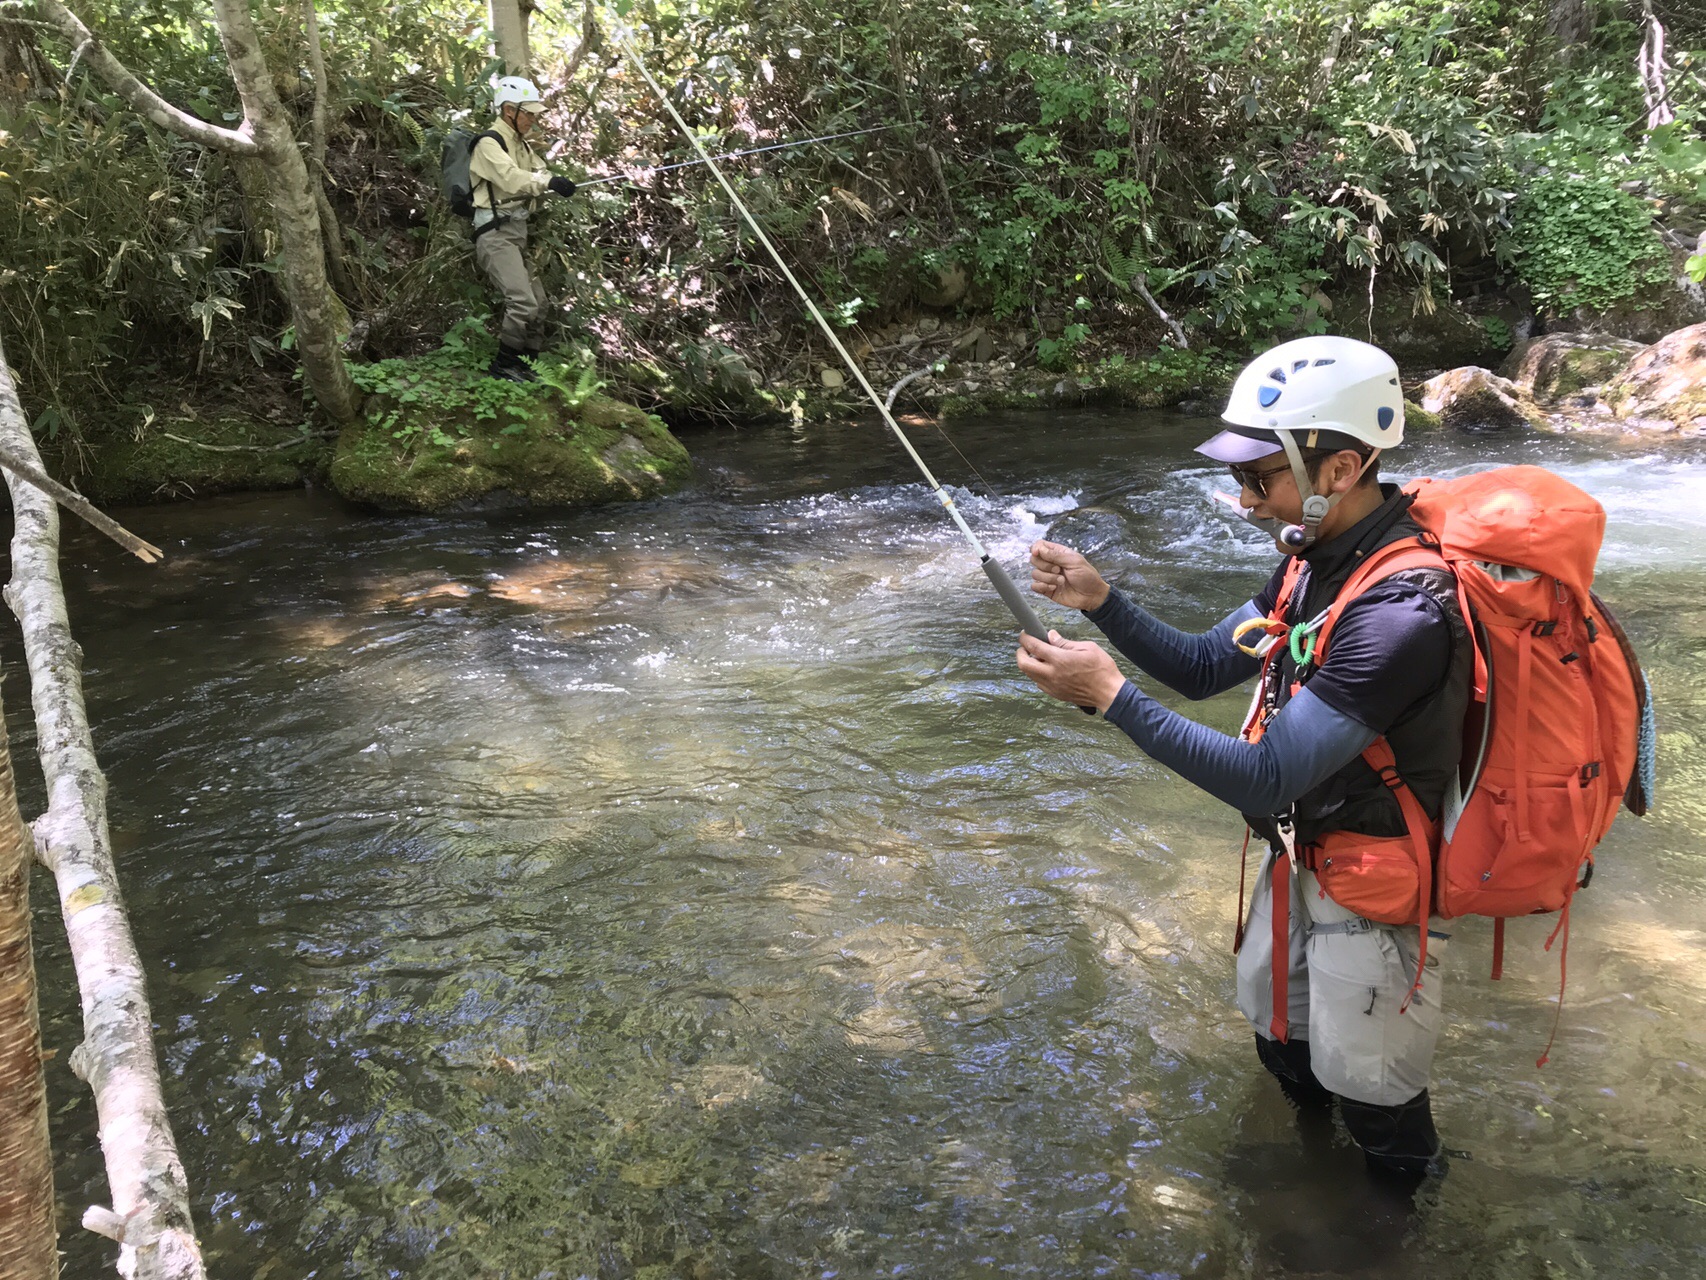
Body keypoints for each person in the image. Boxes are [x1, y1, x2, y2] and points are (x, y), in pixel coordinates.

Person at [1015, 336, 1471, 1185]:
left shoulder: (1401, 613)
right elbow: (1200, 668)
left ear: (1340, 469)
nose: (1243, 500)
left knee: (1377, 1105)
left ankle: (1402, 1227)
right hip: (1299, 855)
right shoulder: (1310, 567)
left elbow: (1267, 775)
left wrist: (1109, 695)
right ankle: (1307, 1189)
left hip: (1376, 881)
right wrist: (1102, 601)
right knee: (1283, 1049)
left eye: (1259, 478)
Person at [470, 76, 579, 382]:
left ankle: (527, 366)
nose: (533, 119)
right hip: (495, 233)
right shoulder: (489, 143)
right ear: (509, 110)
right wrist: (547, 182)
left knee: (539, 303)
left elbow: (537, 172)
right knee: (522, 301)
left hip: (516, 231)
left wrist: (555, 181)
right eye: (528, 113)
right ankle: (503, 367)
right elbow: (510, 178)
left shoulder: (521, 143)